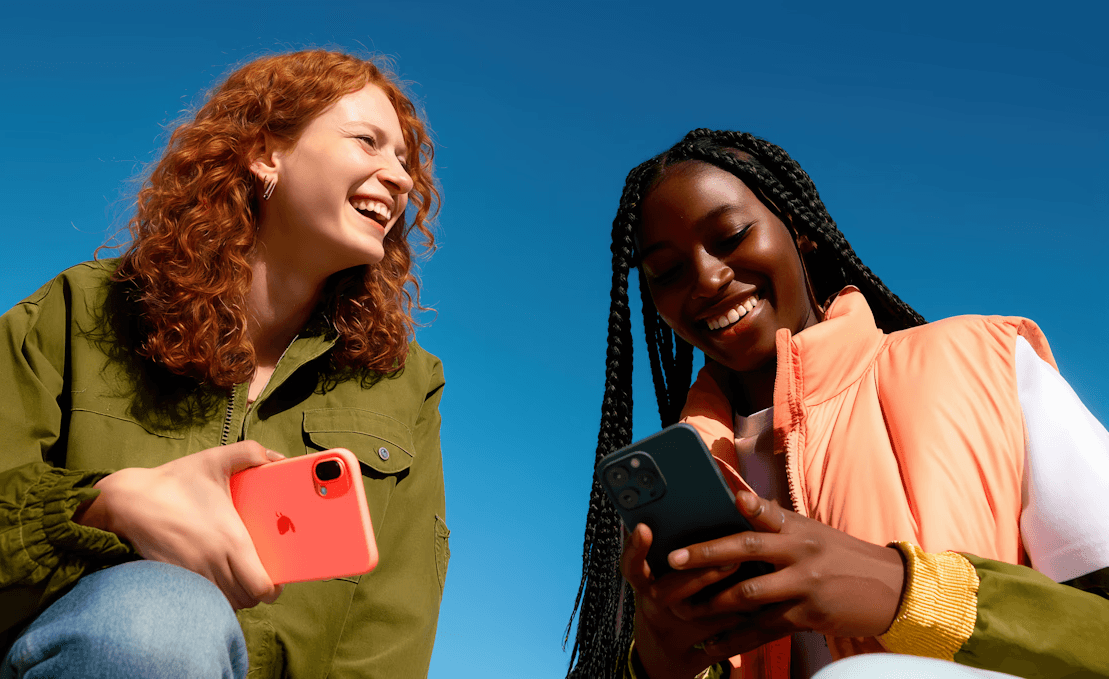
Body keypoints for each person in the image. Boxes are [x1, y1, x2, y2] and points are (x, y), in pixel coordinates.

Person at [566, 129, 1109, 679]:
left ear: (801, 231)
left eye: (730, 235)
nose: (707, 278)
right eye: (667, 272)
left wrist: (902, 592)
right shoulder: (672, 488)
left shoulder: (984, 363)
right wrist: (659, 664)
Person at [0, 49, 449, 679]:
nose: (399, 178)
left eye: (403, 161)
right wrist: (100, 506)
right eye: (367, 142)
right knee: (161, 616)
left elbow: (392, 633)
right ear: (267, 153)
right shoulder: (79, 311)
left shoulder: (406, 386)